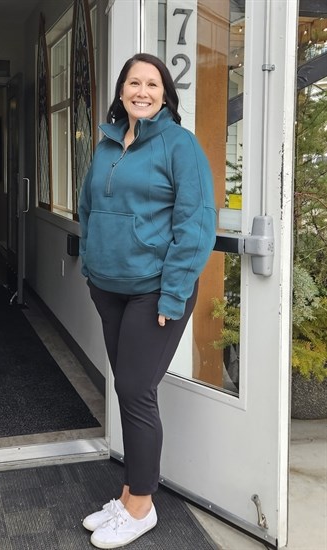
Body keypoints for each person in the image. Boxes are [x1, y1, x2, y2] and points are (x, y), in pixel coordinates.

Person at [78, 53, 216, 549]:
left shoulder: (180, 145)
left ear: (165, 94)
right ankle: (129, 491)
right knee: (128, 387)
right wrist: (90, 267)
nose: (142, 91)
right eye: (133, 82)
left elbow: (196, 225)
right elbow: (88, 207)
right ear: (121, 92)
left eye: (152, 84)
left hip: (155, 289)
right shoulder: (108, 144)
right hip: (109, 286)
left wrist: (175, 291)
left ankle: (141, 504)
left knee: (136, 391)